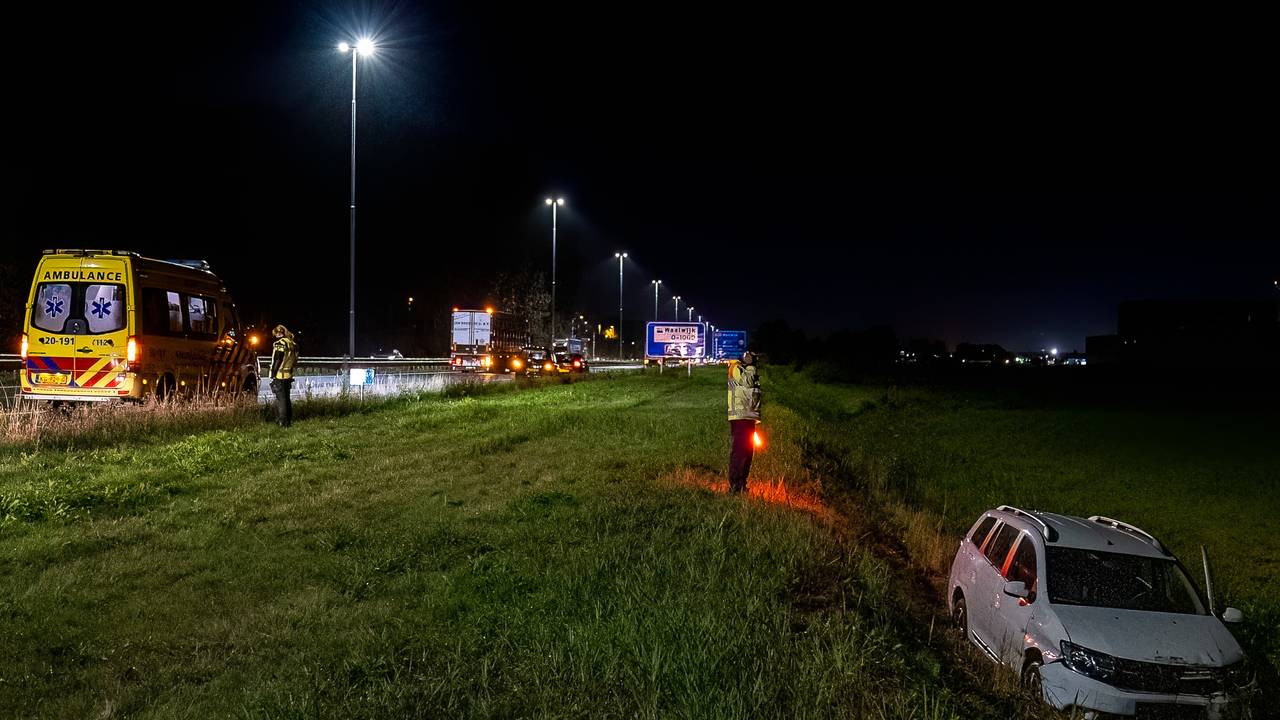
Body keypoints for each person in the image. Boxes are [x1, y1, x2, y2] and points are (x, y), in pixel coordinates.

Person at [726, 350, 762, 493]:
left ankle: (741, 484)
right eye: (752, 356)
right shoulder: (736, 367)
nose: (754, 359)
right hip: (740, 416)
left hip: (748, 416)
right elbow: (747, 383)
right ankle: (735, 486)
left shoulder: (744, 368)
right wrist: (751, 366)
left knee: (747, 452)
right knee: (740, 452)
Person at [269, 324, 298, 427]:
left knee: (281, 400)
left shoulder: (280, 344)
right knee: (287, 399)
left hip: (279, 375)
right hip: (288, 375)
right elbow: (295, 361)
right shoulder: (292, 344)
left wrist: (273, 374)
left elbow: (278, 359)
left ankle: (282, 422)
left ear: (277, 333)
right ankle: (288, 421)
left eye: (275, 333)